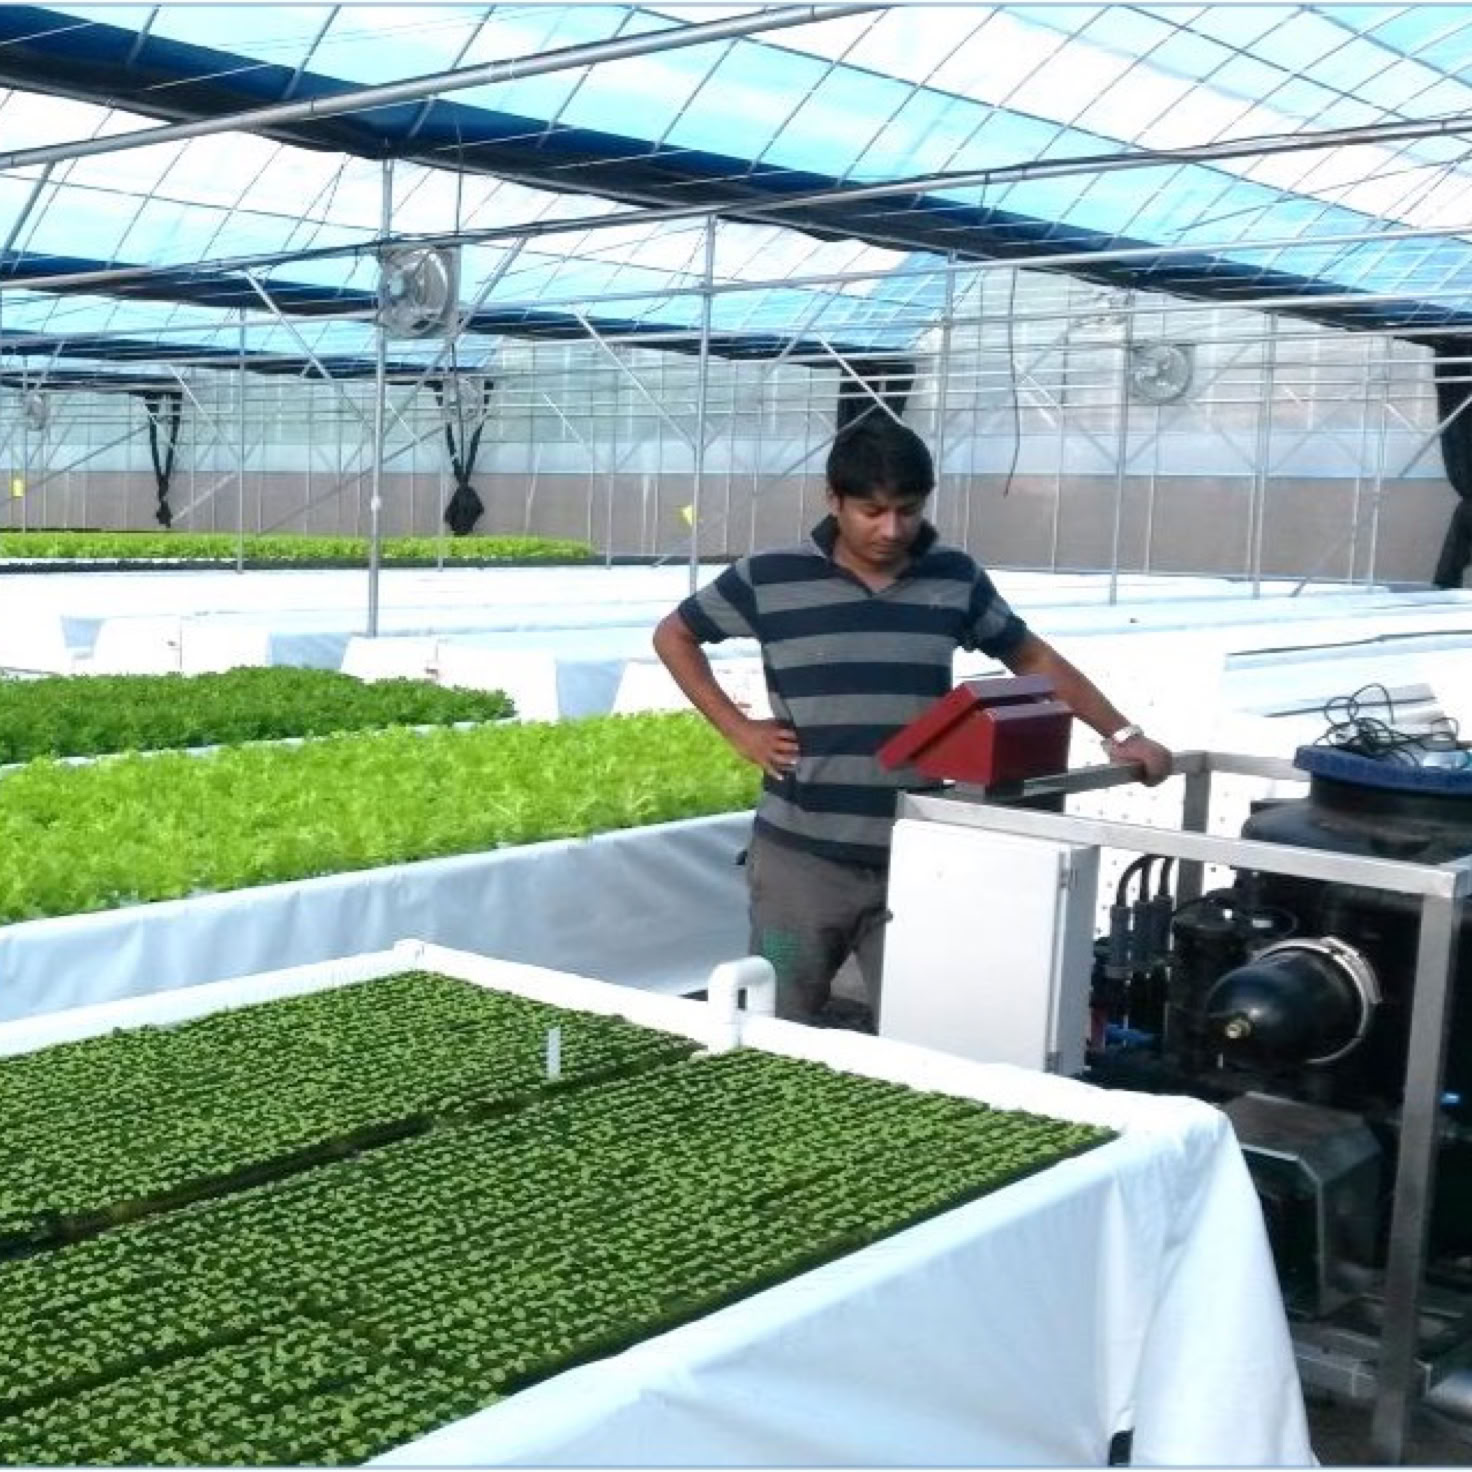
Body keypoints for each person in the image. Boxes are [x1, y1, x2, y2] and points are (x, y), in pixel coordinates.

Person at [652, 415, 1173, 1029]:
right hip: (801, 862)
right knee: (777, 1012)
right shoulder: (769, 577)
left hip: (918, 852)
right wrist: (738, 729)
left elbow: (1032, 658)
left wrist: (1122, 732)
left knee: (921, 1023)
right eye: (872, 511)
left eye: (908, 510)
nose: (892, 529)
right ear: (834, 499)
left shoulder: (953, 577)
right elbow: (675, 635)